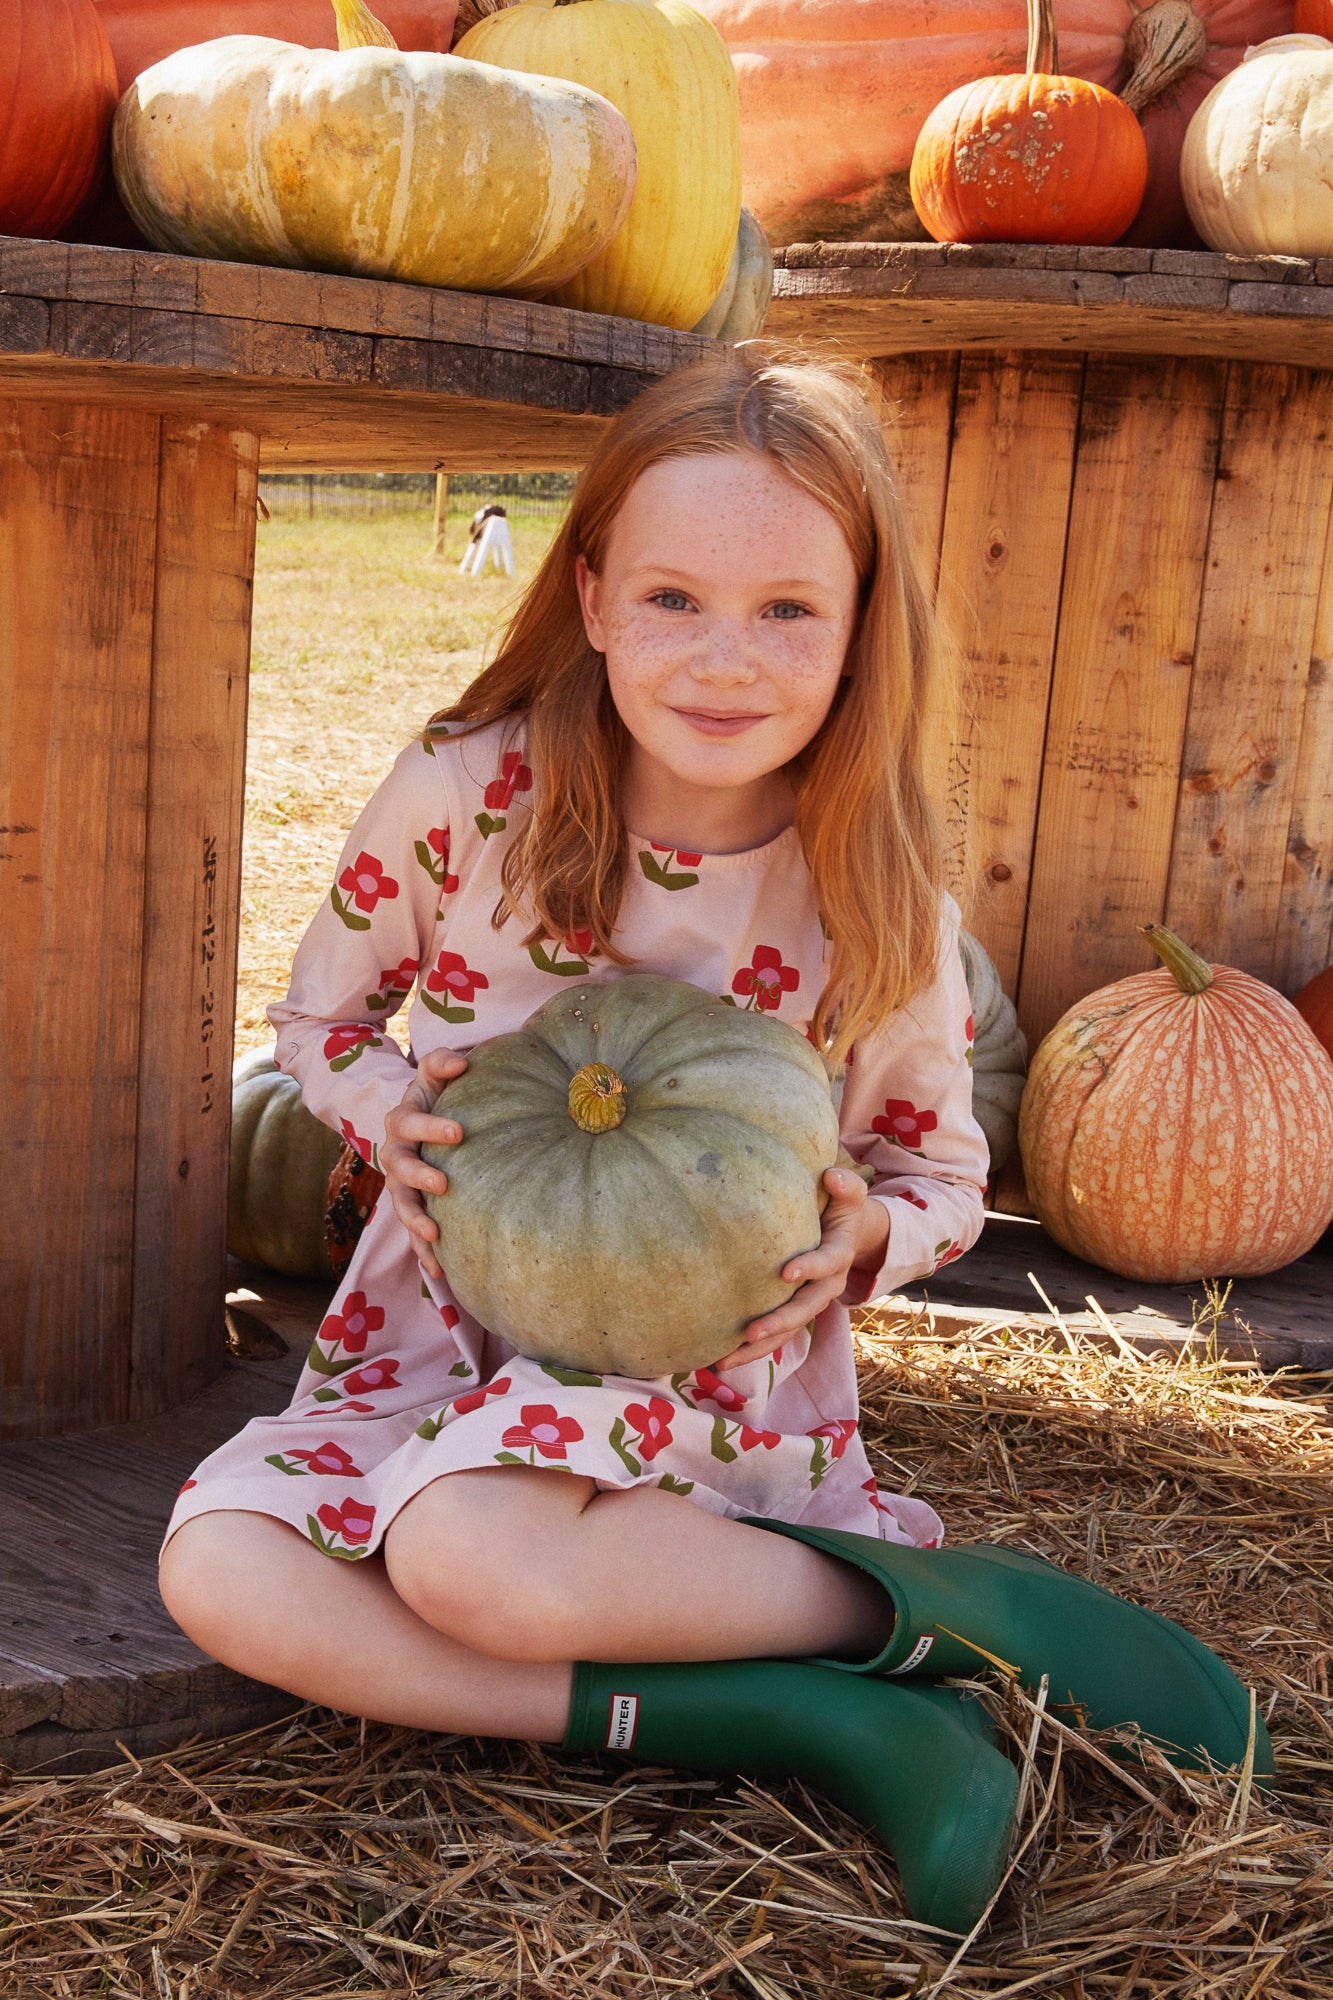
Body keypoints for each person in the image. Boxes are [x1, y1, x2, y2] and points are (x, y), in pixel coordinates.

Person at [162, 351, 1267, 1936]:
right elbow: (316, 1024)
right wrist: (373, 1113)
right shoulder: (469, 795)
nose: (723, 659)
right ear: (595, 598)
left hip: (700, 1368)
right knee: (219, 1576)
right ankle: (811, 1707)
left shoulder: (870, 882)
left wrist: (861, 1243)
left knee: (469, 1560)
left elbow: (941, 1174)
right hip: (445, 1333)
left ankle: (935, 1608)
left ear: (860, 622)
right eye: (674, 599)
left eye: (786, 610)